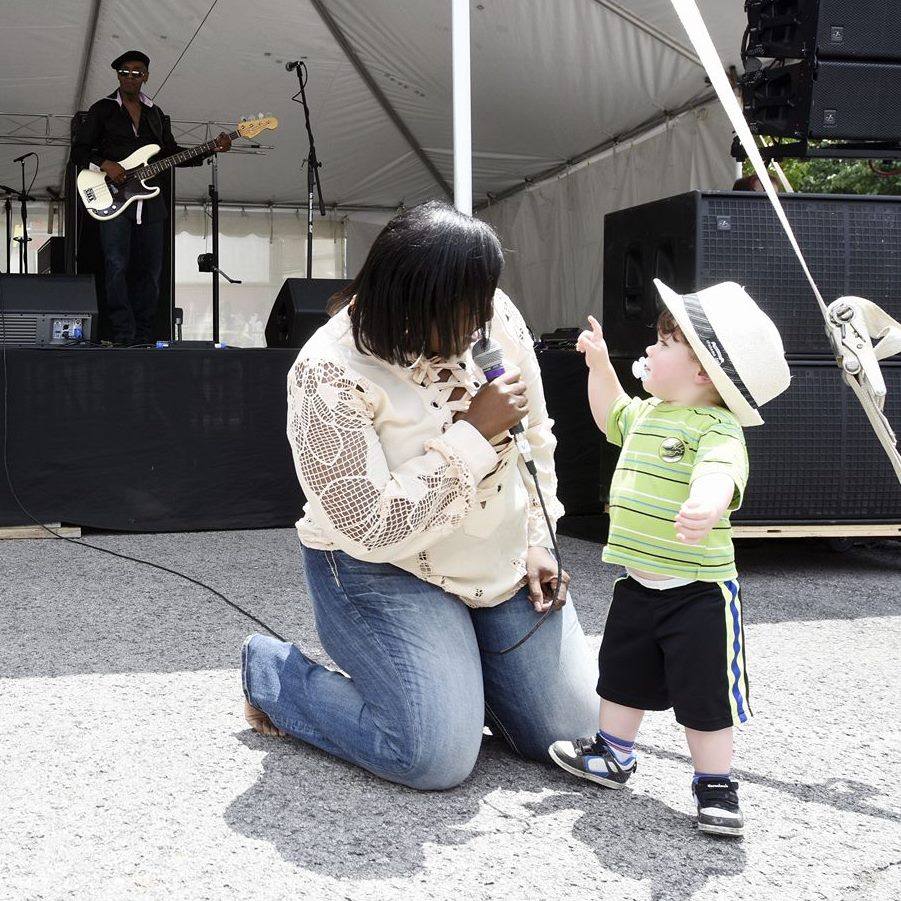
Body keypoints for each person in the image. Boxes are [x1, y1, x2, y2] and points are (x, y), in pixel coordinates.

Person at [241, 201, 599, 790]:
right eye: (463, 312)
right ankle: (273, 675)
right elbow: (370, 525)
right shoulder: (327, 371)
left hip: (499, 560)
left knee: (572, 733)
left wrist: (541, 539)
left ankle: (457, 676)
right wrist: (473, 435)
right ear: (409, 303)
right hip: (384, 568)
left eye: (485, 302)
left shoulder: (493, 315)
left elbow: (536, 438)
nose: (480, 324)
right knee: (431, 755)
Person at [548, 279, 790, 837]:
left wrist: (706, 503)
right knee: (619, 676)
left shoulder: (717, 426)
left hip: (698, 591)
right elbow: (611, 414)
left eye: (661, 344)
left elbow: (720, 470)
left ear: (703, 370)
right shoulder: (650, 413)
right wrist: (599, 366)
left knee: (706, 693)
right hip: (638, 582)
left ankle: (716, 784)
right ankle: (614, 752)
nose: (649, 351)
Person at [71, 50, 231, 346]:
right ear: (118, 75)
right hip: (114, 199)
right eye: (124, 72)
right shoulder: (102, 109)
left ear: (146, 76)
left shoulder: (155, 114)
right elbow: (79, 151)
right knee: (116, 266)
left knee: (152, 273)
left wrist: (211, 149)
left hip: (151, 204)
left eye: (136, 72)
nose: (130, 76)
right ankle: (122, 335)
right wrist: (107, 164)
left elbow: (170, 153)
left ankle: (144, 337)